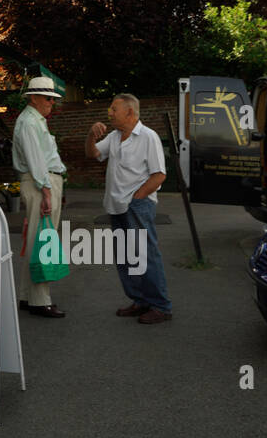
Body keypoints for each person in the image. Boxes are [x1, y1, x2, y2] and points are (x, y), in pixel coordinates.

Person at [85, 93, 171, 323]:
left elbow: (159, 174)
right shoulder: (114, 137)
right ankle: (141, 301)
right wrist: (91, 136)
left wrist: (137, 197)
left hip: (137, 205)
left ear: (130, 112)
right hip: (116, 206)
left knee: (146, 256)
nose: (109, 113)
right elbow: (93, 154)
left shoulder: (148, 137)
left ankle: (160, 306)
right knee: (126, 257)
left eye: (114, 109)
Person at [12, 76, 67, 318]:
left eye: (53, 99)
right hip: (40, 184)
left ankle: (27, 295)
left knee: (37, 239)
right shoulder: (30, 123)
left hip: (42, 183)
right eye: (47, 98)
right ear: (33, 97)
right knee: (42, 242)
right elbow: (36, 161)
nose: (51, 103)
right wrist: (46, 192)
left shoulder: (33, 120)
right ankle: (39, 301)